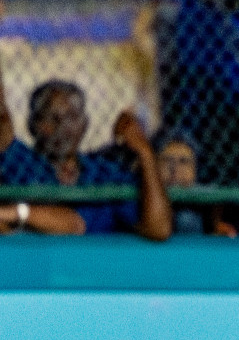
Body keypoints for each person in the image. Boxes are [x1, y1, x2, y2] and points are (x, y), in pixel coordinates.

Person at [0, 65, 172, 240]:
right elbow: (2, 118)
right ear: (32, 125)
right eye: (51, 117)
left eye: (72, 117)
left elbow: (159, 229)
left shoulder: (104, 173)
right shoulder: (19, 161)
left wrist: (144, 152)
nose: (62, 127)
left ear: (85, 124)